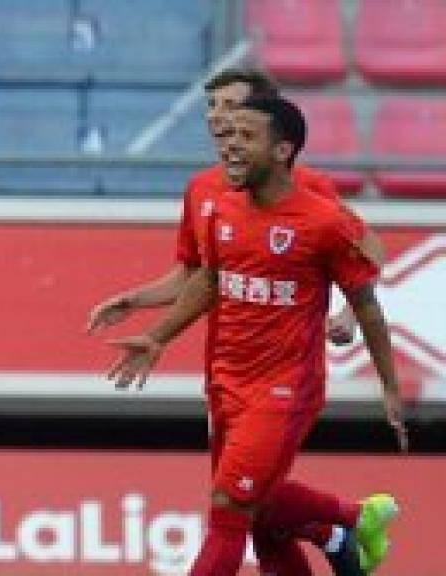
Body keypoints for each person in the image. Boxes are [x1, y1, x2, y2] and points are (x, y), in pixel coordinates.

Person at [86, 68, 388, 574]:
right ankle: (344, 528)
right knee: (257, 511)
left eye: (230, 106)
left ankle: (344, 524)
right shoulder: (203, 190)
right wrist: (137, 301)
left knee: (234, 508)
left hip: (282, 375)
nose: (217, 117)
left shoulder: (306, 187)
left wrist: (347, 316)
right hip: (225, 370)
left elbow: (368, 248)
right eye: (212, 107)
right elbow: (194, 274)